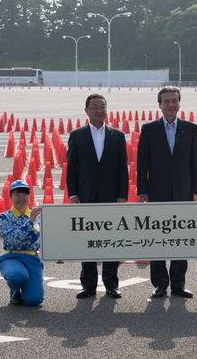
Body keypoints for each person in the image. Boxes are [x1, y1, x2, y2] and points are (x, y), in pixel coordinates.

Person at [137, 86, 197, 298]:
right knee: (157, 237)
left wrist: (195, 191)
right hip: (157, 190)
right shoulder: (149, 129)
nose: (170, 104)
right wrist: (142, 190)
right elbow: (142, 163)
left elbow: (195, 162)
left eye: (174, 100)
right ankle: (160, 283)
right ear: (160, 105)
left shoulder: (190, 129)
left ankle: (179, 284)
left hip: (183, 190)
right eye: (166, 101)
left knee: (181, 237)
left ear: (179, 103)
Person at [66, 93, 129, 299]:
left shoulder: (117, 135)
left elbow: (123, 169)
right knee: (88, 240)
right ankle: (88, 284)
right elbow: (71, 168)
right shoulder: (77, 135)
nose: (99, 110)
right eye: (95, 107)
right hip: (86, 194)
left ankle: (111, 284)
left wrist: (122, 195)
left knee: (111, 240)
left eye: (102, 106)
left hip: (111, 195)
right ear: (86, 111)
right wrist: (73, 194)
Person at [0, 180, 43, 306]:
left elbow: (46, 239)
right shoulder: (4, 217)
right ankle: (15, 289)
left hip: (32, 258)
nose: (21, 198)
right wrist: (30, 221)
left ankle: (26, 288)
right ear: (10, 196)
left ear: (29, 196)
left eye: (24, 194)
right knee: (17, 277)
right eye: (17, 195)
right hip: (12, 257)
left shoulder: (38, 217)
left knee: (34, 300)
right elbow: (13, 239)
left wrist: (56, 255)